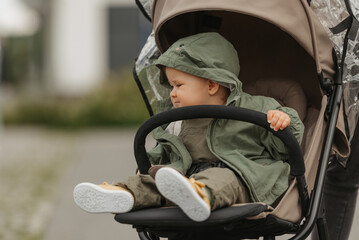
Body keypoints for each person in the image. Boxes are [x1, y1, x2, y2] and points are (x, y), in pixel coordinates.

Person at [73, 32, 304, 222]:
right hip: (182, 177)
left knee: (223, 178)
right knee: (156, 180)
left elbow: (286, 147)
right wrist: (150, 166)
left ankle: (199, 194)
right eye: (171, 86)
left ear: (212, 84)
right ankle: (124, 193)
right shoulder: (177, 120)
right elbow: (167, 150)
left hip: (242, 177)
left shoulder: (255, 108)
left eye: (178, 85)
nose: (172, 93)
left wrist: (282, 122)